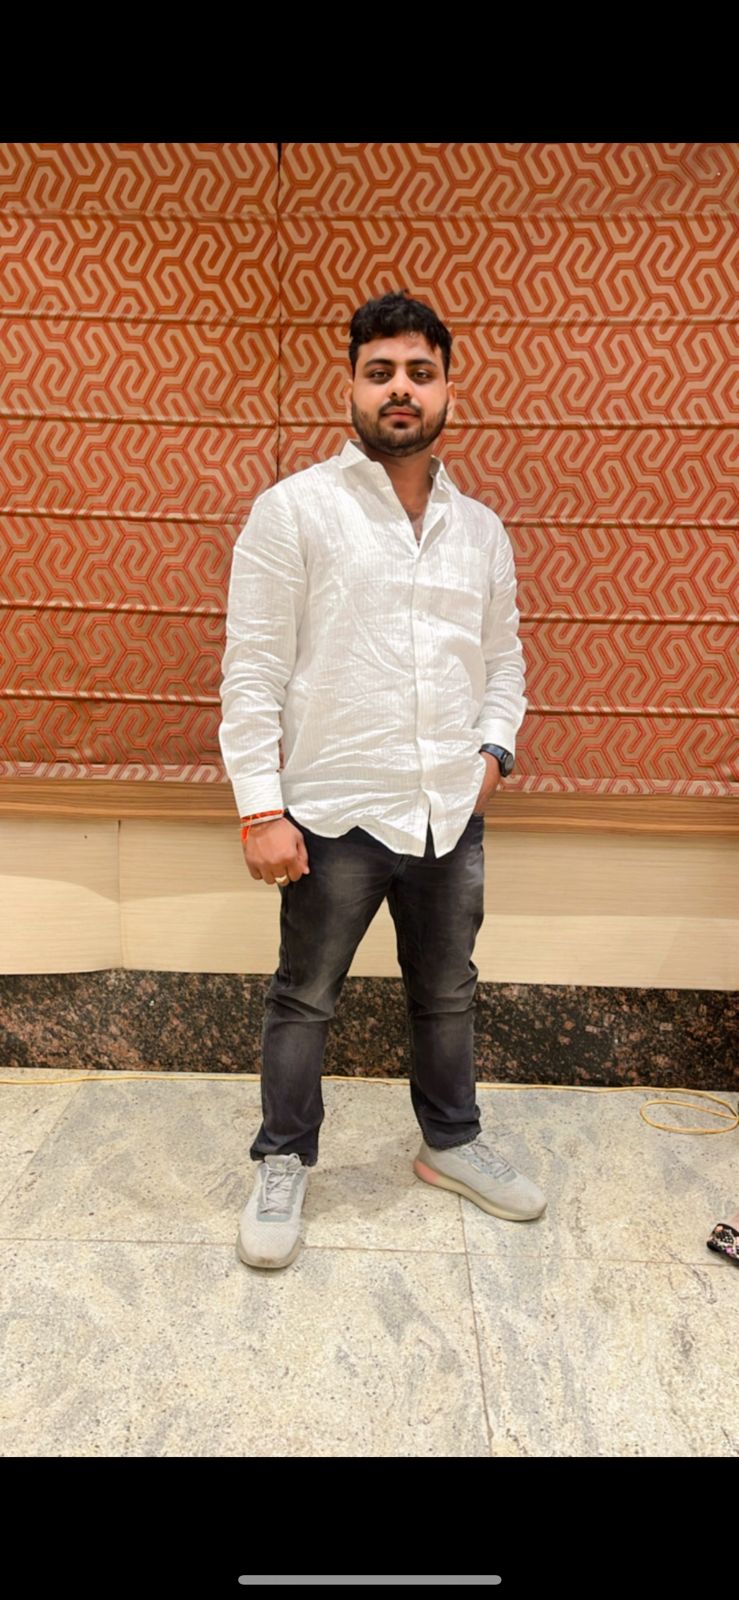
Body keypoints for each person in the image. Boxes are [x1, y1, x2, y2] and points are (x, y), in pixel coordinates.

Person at [219, 290, 546, 1270]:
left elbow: (503, 662)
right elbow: (251, 671)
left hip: (449, 809)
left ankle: (449, 1142)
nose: (399, 389)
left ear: (447, 388)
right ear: (352, 386)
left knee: (447, 993)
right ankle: (282, 1160)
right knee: (304, 998)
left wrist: (493, 752)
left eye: (419, 372)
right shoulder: (292, 512)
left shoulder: (479, 530)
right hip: (331, 812)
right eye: (380, 372)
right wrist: (260, 807)